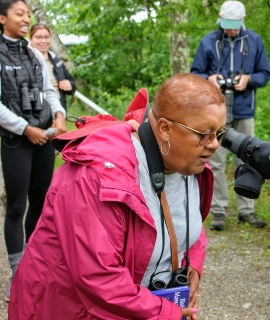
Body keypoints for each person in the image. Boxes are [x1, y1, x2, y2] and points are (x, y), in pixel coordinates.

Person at [8, 73, 226, 319]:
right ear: (165, 128)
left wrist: (193, 266)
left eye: (219, 133)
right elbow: (99, 279)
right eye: (204, 134)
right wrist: (165, 311)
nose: (214, 144)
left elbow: (186, 223)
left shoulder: (187, 162)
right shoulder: (95, 179)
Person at [0, 0, 66, 302]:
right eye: (20, 14)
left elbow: (50, 90)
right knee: (16, 207)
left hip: (44, 138)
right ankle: (17, 274)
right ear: (2, 18)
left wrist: (59, 115)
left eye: (28, 14)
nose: (26, 19)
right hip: (17, 139)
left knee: (41, 204)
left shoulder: (34, 53)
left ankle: (33, 268)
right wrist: (25, 129)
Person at [190, 0, 270, 231]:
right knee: (214, 159)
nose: (231, 29)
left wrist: (249, 80)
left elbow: (265, 73)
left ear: (243, 19)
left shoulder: (254, 41)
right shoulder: (208, 41)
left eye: (235, 25)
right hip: (215, 110)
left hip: (245, 109)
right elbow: (195, 74)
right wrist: (209, 80)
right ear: (219, 18)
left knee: (247, 158)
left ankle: (247, 210)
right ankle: (218, 211)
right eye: (227, 24)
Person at [29, 23, 76, 112]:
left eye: (46, 37)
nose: (43, 41)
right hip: (37, 109)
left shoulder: (56, 61)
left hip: (59, 108)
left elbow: (72, 83)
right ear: (30, 39)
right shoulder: (25, 61)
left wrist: (70, 85)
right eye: (38, 37)